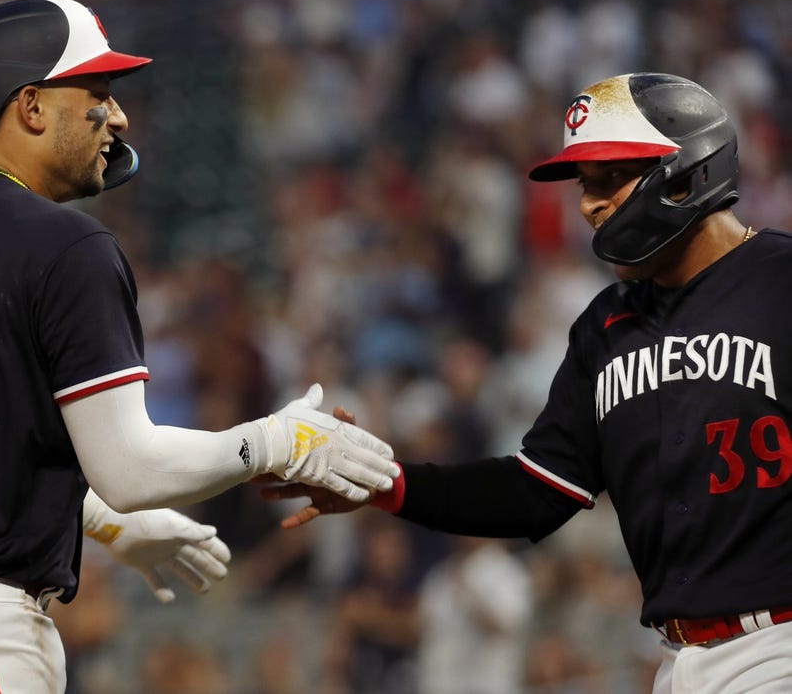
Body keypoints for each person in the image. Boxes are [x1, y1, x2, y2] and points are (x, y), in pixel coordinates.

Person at [0, 0, 399, 694]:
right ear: (31, 107)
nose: (118, 117)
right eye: (96, 92)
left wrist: (102, 524)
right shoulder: (63, 242)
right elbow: (130, 468)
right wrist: (277, 440)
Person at [265, 72, 792, 694]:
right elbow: (536, 491)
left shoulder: (779, 284)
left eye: (608, 180)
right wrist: (389, 483)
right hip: (680, 662)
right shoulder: (605, 326)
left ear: (689, 169)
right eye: (584, 184)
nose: (587, 204)